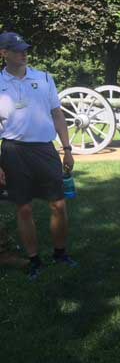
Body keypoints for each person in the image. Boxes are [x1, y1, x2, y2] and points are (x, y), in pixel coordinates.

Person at [0, 31, 76, 279]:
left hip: (45, 149)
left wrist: (67, 149)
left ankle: (60, 253)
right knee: (23, 209)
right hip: (13, 151)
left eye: (25, 48)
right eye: (18, 49)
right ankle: (34, 260)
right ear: (4, 53)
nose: (24, 53)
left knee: (59, 204)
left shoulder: (44, 78)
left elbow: (57, 114)